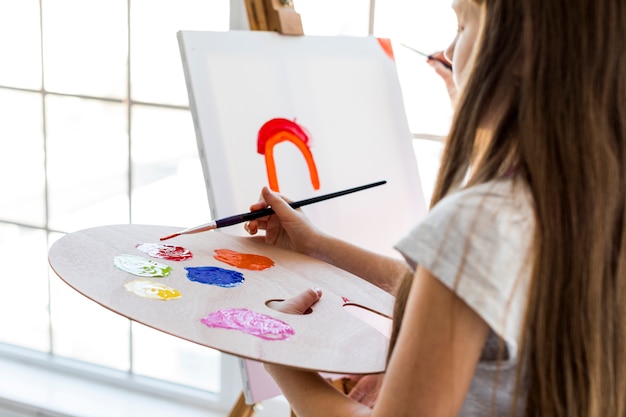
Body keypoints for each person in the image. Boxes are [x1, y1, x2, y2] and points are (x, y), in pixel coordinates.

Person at [245, 0, 626, 415]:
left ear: (524, 48)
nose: (446, 51)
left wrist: (277, 350)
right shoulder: (587, 196)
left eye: (461, 26)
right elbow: (457, 289)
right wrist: (317, 245)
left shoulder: (481, 221)